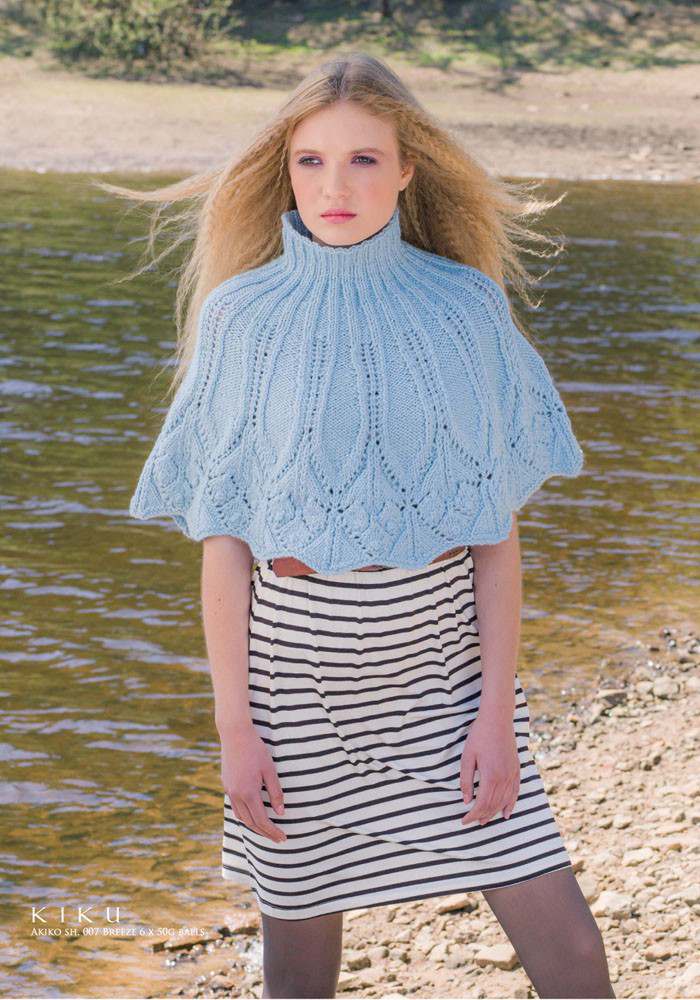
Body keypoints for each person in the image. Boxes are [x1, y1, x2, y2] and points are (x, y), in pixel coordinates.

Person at [104, 52, 615, 1000]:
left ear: (408, 166)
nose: (335, 187)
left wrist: (494, 718)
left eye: (364, 160)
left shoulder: (463, 307)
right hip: (294, 689)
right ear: (285, 170)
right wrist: (235, 731)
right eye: (311, 161)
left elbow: (495, 538)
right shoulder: (242, 318)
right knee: (299, 978)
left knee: (574, 957)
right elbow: (227, 549)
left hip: (445, 679)